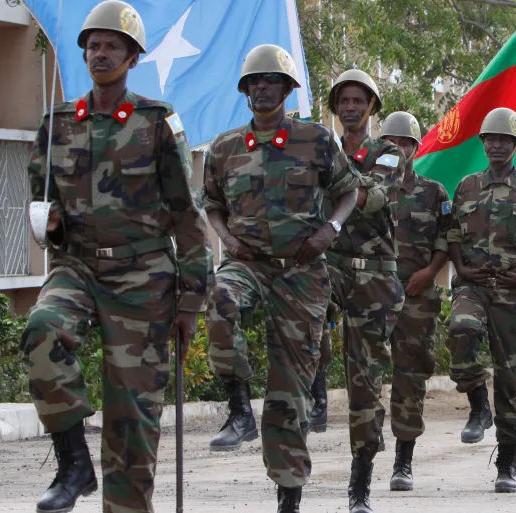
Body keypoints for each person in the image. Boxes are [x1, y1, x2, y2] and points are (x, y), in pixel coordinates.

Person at [22, 2, 212, 512]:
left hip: (143, 278)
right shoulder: (58, 122)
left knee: (132, 422)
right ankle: (74, 462)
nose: (99, 53)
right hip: (78, 267)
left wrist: (191, 302)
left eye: (111, 46)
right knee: (42, 328)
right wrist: (53, 222)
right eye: (93, 45)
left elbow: (187, 216)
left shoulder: (155, 122)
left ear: (131, 58)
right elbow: (43, 198)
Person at [202, 44, 361, 511]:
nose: (261, 87)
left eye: (271, 80)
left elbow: (348, 191)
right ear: (245, 90)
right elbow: (211, 204)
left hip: (302, 274)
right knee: (218, 299)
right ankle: (236, 409)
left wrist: (331, 229)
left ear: (289, 89)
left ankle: (288, 497)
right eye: (254, 81)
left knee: (288, 395)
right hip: (247, 264)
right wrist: (227, 240)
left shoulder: (315, 139)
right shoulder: (224, 147)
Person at [446, 108, 516, 493]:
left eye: (504, 140)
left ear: (515, 145)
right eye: (490, 139)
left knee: (511, 381)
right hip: (473, 285)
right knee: (460, 328)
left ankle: (507, 465)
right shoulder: (466, 187)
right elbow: (451, 237)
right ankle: (478, 405)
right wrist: (461, 269)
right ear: (483, 143)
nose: (496, 145)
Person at [325, 69, 406, 513]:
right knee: (304, 316)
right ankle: (315, 387)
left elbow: (374, 196)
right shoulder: (321, 149)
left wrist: (330, 184)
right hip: (331, 267)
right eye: (344, 101)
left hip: (374, 278)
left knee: (365, 382)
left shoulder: (388, 153)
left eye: (359, 101)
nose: (350, 108)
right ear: (336, 107)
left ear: (371, 107)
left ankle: (361, 483)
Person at [380, 111, 451, 490]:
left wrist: (429, 272)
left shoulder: (433, 192)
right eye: (389, 143)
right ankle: (367, 442)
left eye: (404, 143)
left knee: (410, 376)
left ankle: (403, 461)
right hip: (372, 294)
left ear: (415, 147)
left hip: (416, 295)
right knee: (365, 372)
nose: (397, 149)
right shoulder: (366, 188)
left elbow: (446, 239)